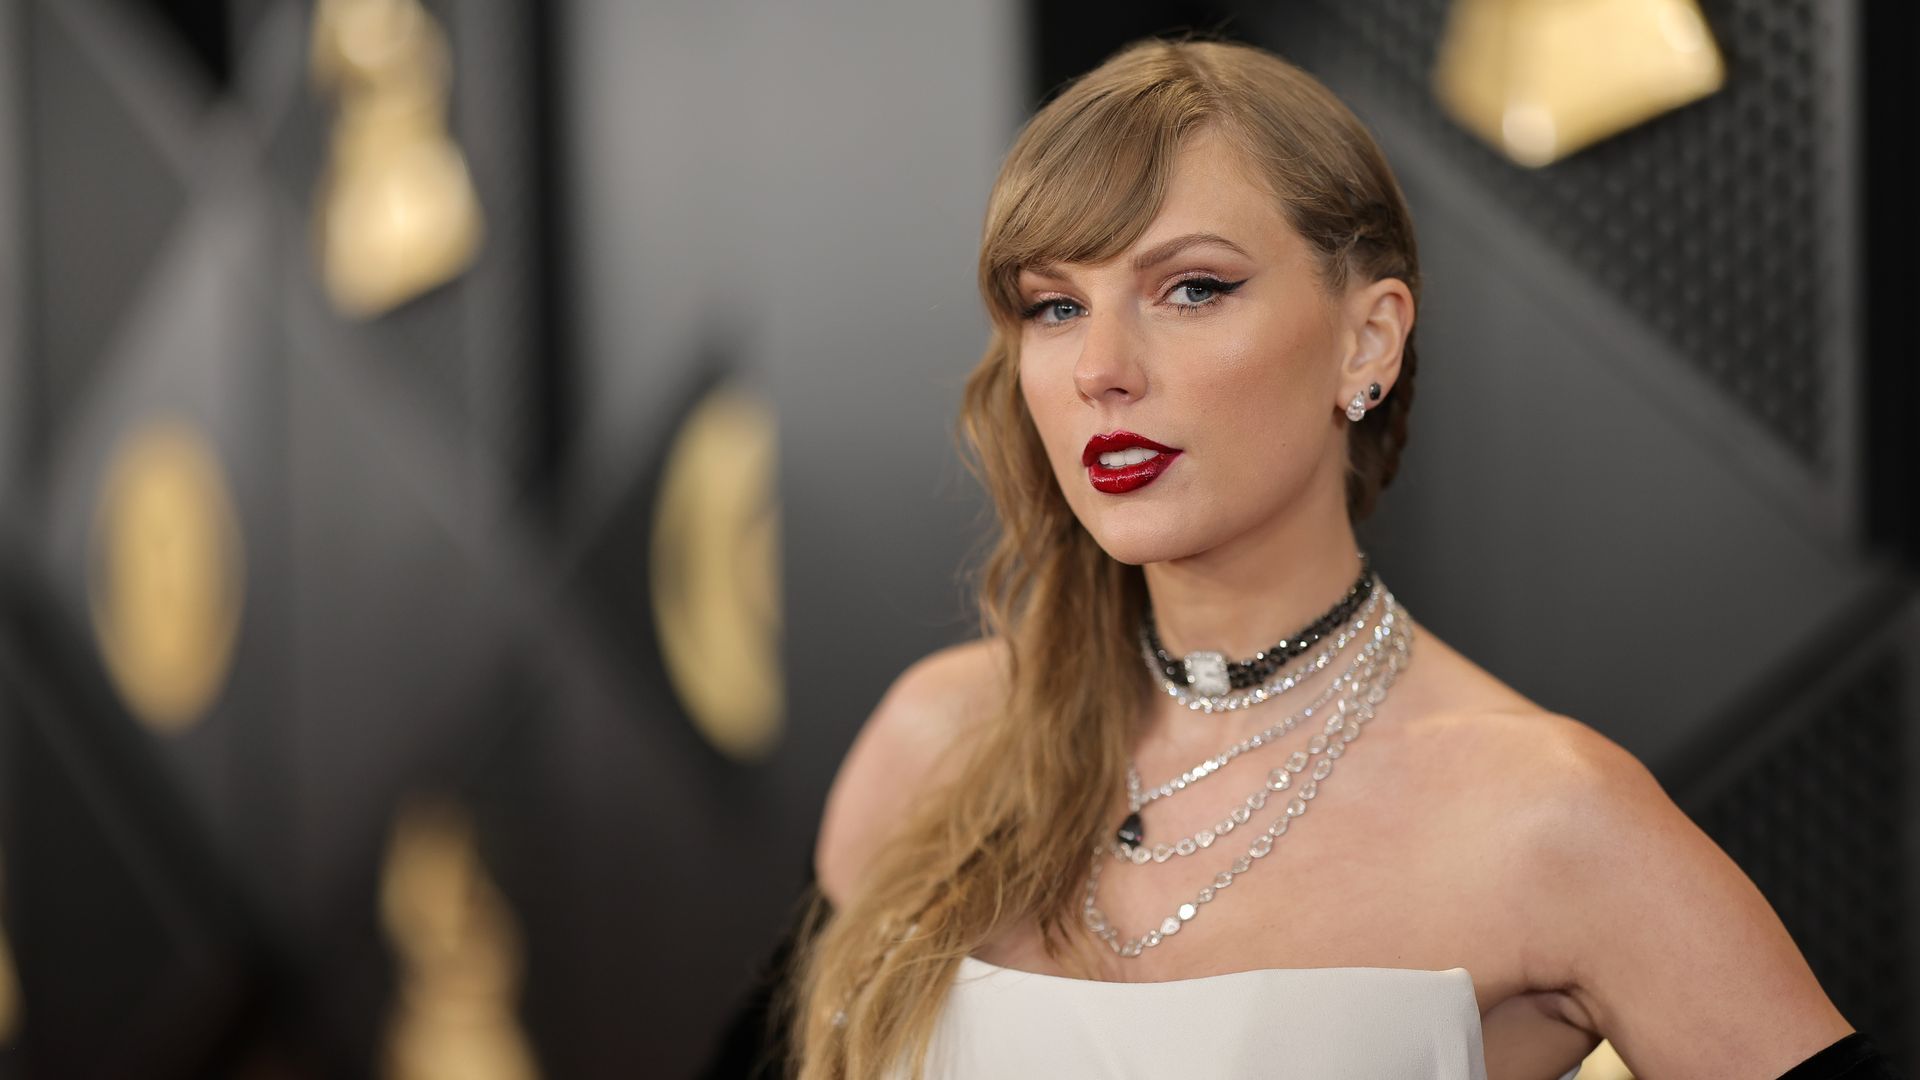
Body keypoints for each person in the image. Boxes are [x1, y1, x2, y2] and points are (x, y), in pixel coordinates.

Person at [788, 36, 1898, 1080]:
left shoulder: (1549, 821)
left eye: (1193, 288)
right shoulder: (937, 745)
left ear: (1367, 341)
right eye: (1055, 306)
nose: (1100, 368)